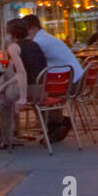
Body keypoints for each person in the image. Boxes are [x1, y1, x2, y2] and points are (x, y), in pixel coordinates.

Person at [0, 18, 45, 149]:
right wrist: (3, 86)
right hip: (41, 89)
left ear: (11, 34)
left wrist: (23, 98)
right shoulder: (35, 44)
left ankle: (7, 140)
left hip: (28, 89)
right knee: (7, 74)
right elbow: (19, 73)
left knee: (3, 102)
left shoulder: (13, 47)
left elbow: (22, 73)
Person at [23, 13, 80, 141]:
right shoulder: (46, 37)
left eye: (24, 31)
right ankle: (55, 124)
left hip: (69, 84)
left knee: (34, 96)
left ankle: (56, 124)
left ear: (32, 29)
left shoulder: (38, 42)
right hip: (74, 80)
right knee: (37, 91)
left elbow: (28, 64)